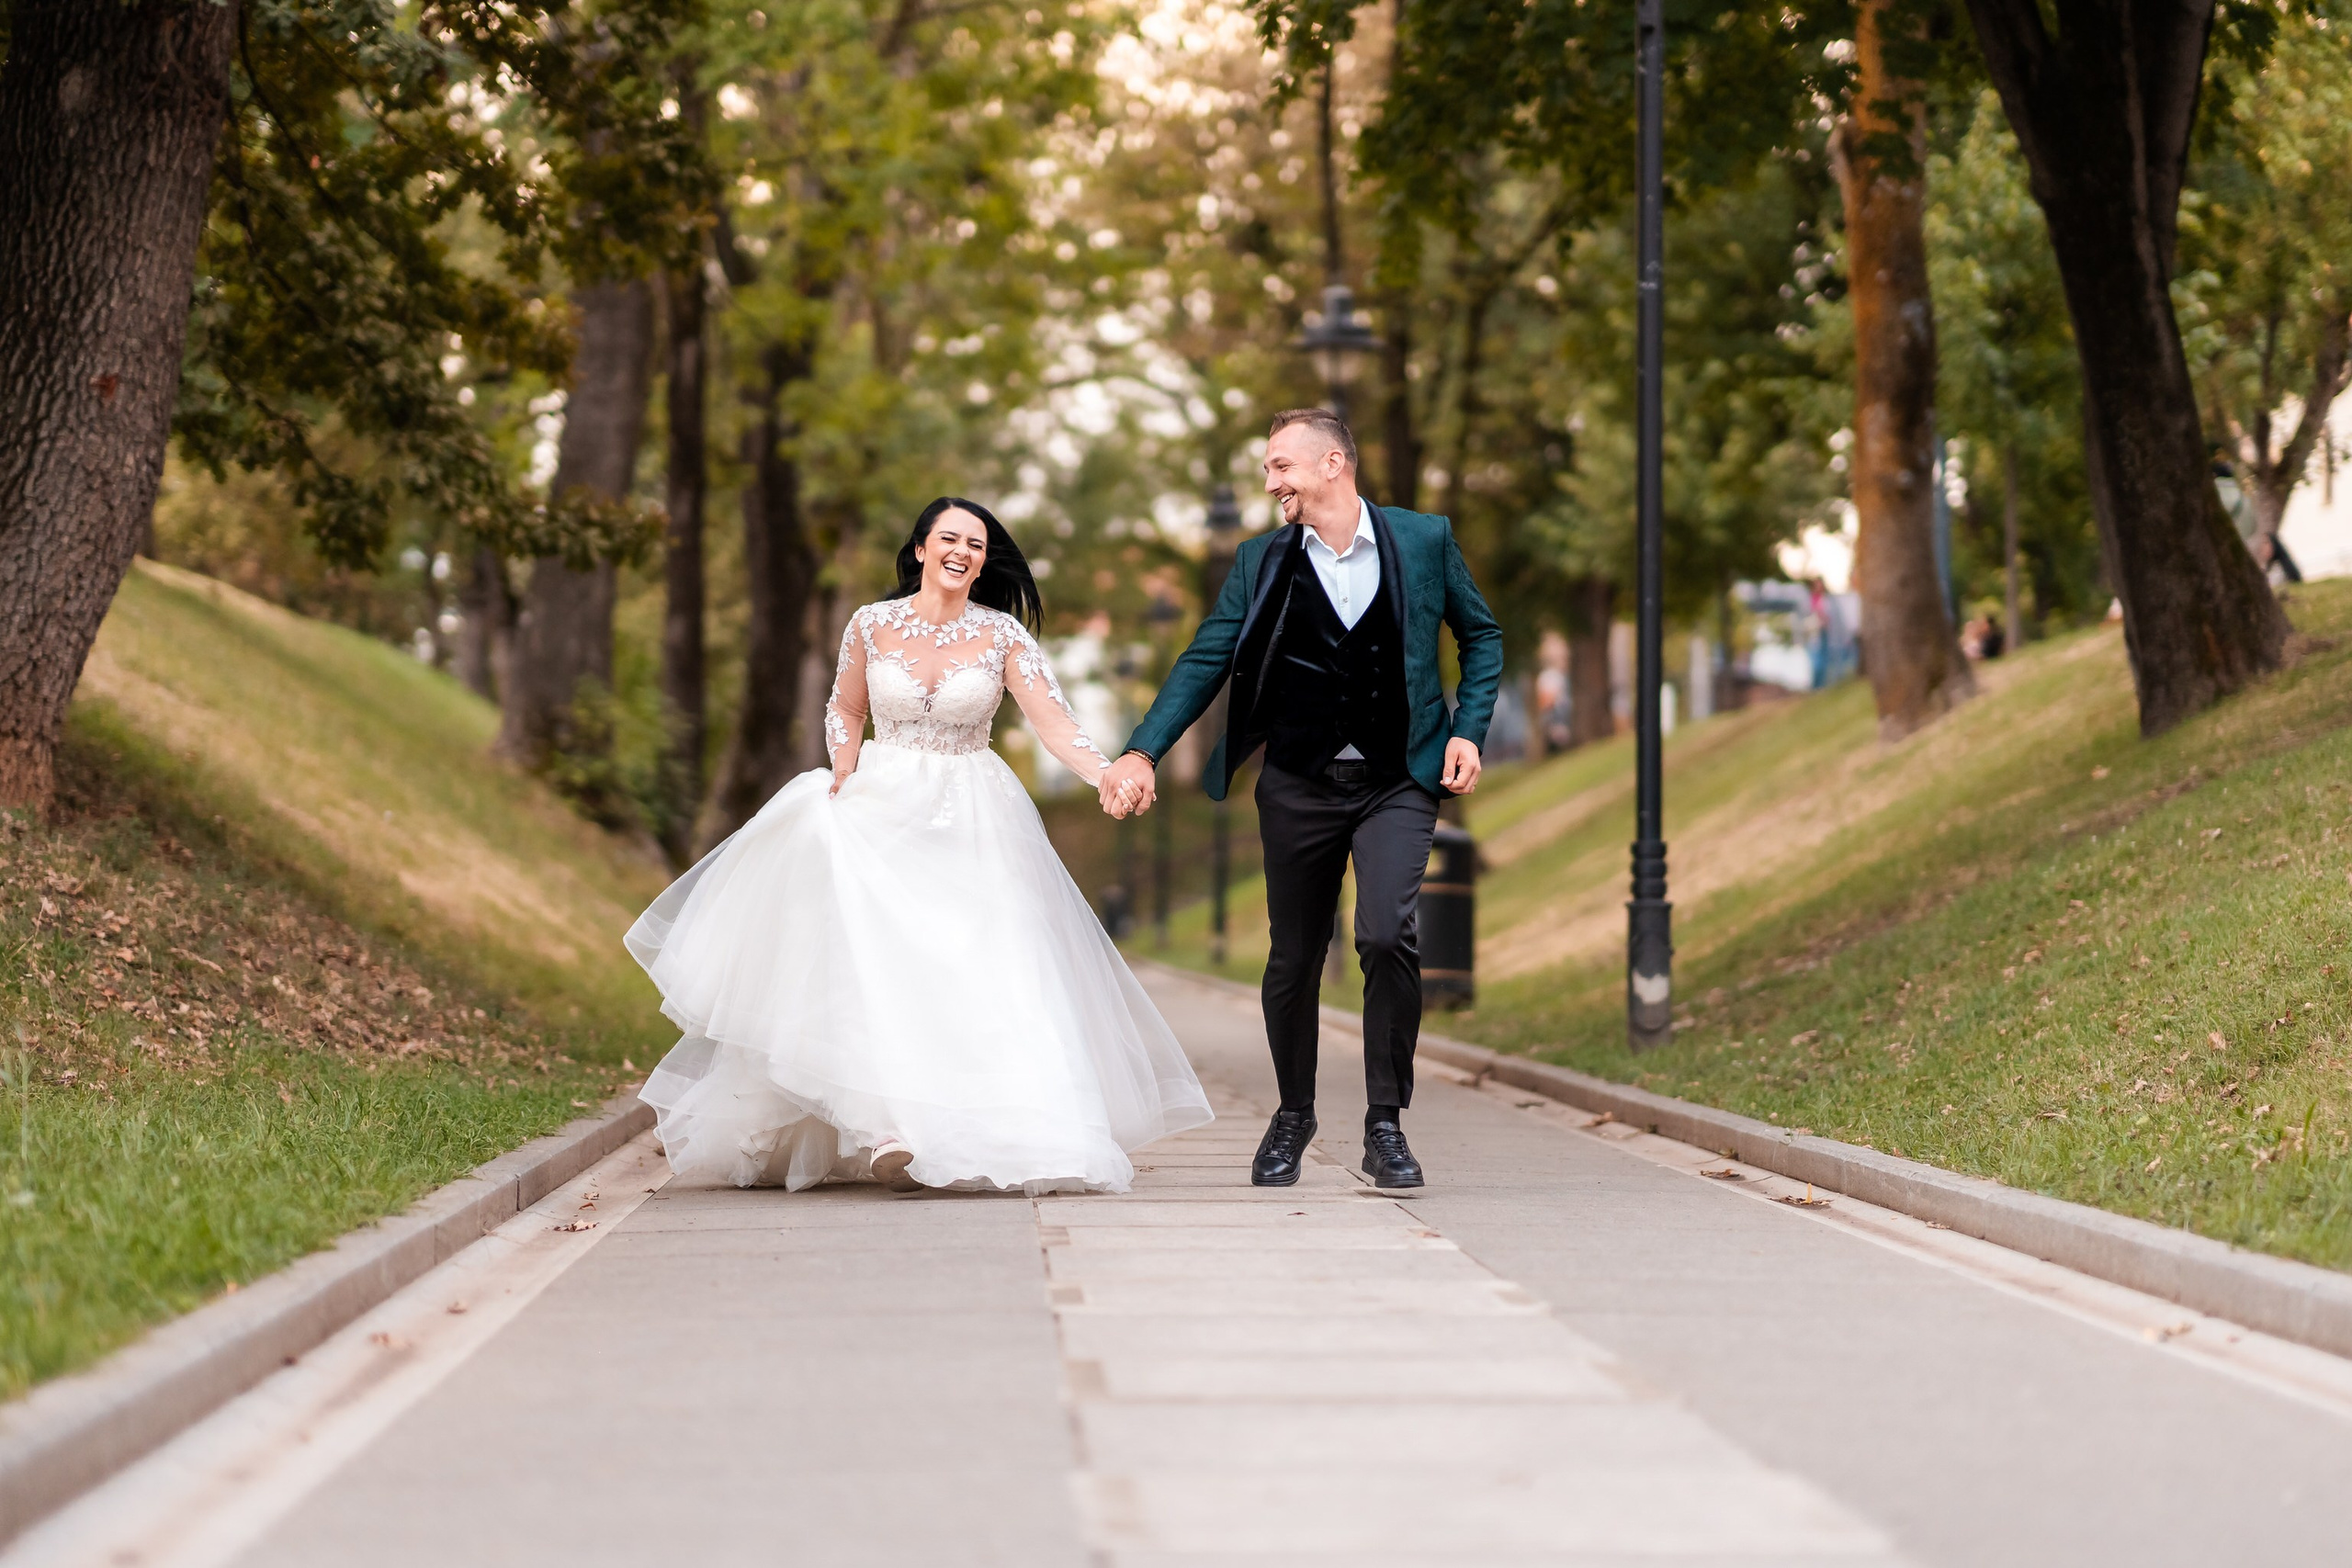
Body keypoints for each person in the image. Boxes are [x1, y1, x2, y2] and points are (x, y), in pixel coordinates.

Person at [625, 497, 1213, 1194]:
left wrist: (1107, 774)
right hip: (880, 801)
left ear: (983, 563)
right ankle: (886, 1126)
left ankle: (976, 1123)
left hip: (972, 813)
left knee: (967, 966)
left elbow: (1054, 723)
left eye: (977, 545)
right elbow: (846, 707)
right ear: (921, 548)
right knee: (871, 959)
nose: (963, 551)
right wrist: (844, 768)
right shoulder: (869, 624)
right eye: (951, 538)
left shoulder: (1002, 635)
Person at [1098, 411, 1503, 1190]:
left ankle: (1385, 1125)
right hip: (1297, 782)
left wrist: (1469, 730)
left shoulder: (1423, 539)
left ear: (1332, 464)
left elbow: (1481, 635)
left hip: (1398, 777)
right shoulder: (1262, 559)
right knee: (1293, 957)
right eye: (1267, 468)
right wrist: (1143, 750)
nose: (1270, 482)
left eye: (1281, 465)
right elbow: (1206, 657)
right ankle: (1294, 1112)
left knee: (1386, 934)